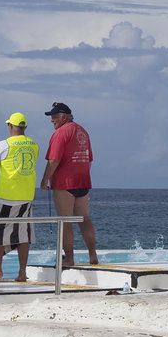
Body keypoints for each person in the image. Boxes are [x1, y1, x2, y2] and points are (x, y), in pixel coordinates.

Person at [39, 102, 99, 266]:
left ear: (64, 117)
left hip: (64, 183)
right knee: (85, 219)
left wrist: (44, 180)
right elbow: (89, 159)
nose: (52, 120)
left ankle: (70, 258)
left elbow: (53, 160)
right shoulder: (83, 132)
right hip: (83, 181)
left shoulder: (60, 133)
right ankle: (93, 255)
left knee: (65, 221)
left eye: (54, 117)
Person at [0, 112, 39, 282]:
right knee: (23, 235)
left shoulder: (4, 144)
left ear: (11, 126)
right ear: (24, 127)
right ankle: (22, 272)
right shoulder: (34, 145)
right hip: (26, 195)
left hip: (5, 196)